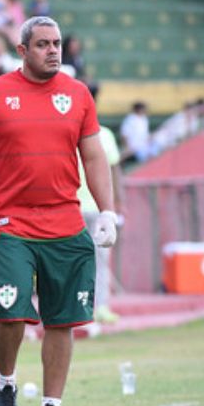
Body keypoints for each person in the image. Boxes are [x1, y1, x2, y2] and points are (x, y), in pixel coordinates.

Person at [0, 16, 118, 406]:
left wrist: (108, 211)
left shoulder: (78, 95)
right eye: (43, 44)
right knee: (10, 311)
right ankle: (6, 384)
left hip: (65, 225)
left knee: (61, 320)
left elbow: (95, 157)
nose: (53, 51)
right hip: (11, 225)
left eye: (57, 43)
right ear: (22, 50)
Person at [78, 87, 125, 325]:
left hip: (97, 208)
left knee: (101, 259)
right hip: (73, 207)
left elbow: (114, 171)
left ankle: (101, 307)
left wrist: (116, 205)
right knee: (75, 261)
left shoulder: (104, 134)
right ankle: (79, 308)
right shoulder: (69, 131)